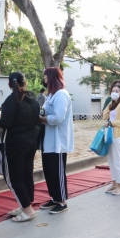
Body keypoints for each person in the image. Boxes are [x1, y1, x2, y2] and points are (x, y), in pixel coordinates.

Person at [0, 72, 41, 222]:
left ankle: (28, 210)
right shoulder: (33, 100)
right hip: (31, 142)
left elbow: (5, 123)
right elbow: (36, 120)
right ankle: (25, 205)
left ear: (10, 85)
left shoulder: (11, 100)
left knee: (15, 178)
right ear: (25, 83)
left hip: (16, 143)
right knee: (27, 174)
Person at [39, 67, 74, 214]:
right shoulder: (51, 95)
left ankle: (62, 201)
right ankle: (54, 197)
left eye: (45, 77)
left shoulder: (61, 95)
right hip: (48, 140)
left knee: (58, 171)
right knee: (49, 171)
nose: (44, 80)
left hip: (58, 141)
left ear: (52, 78)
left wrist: (43, 119)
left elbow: (58, 117)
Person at [102, 84, 120, 194]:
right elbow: (104, 116)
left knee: (117, 160)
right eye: (113, 91)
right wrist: (109, 104)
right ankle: (114, 182)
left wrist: (110, 123)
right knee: (111, 160)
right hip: (110, 135)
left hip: (118, 135)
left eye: (117, 91)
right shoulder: (113, 104)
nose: (114, 93)